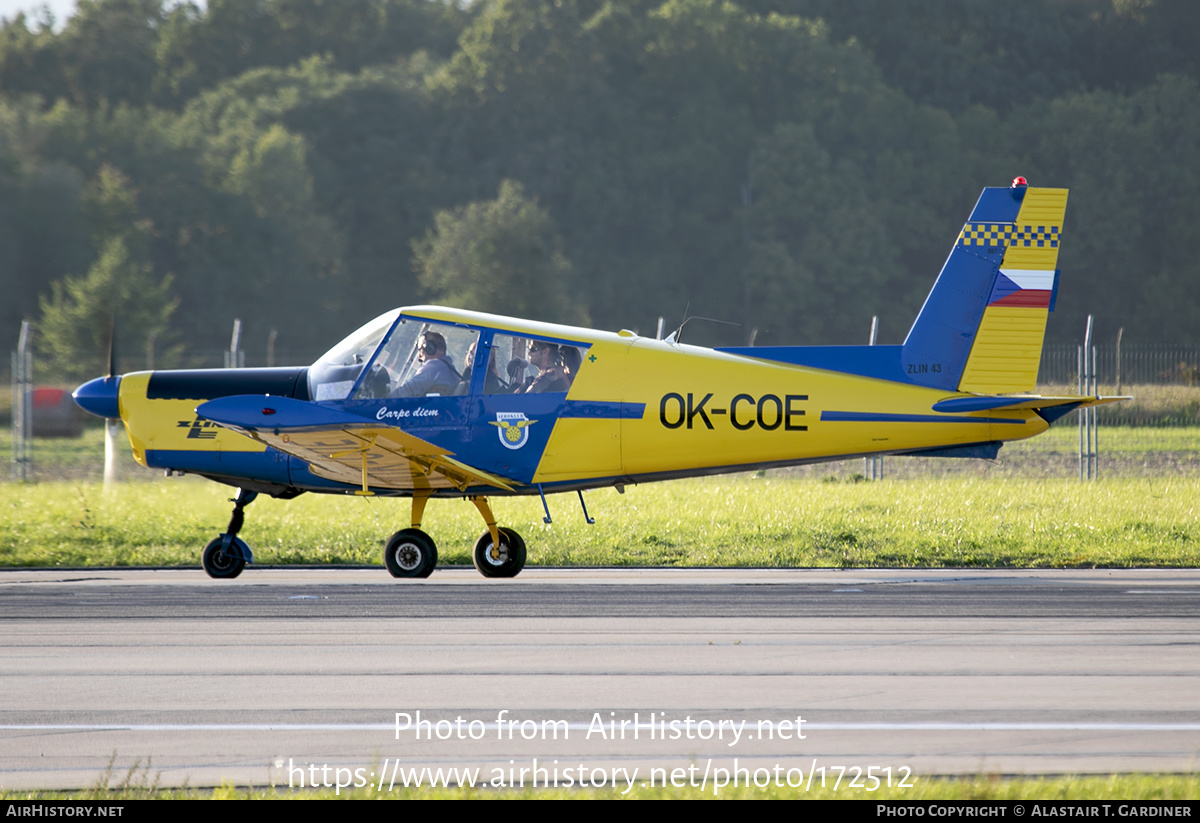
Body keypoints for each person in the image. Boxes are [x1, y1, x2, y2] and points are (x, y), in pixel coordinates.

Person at [394, 331, 461, 397]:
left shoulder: (434, 366)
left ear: (429, 348)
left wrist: (386, 398)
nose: (419, 356)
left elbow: (408, 390)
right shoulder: (450, 368)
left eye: (420, 349)